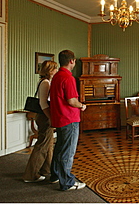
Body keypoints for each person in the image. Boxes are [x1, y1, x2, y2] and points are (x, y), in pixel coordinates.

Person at [49, 50, 87, 191]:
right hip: (69, 119)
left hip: (59, 118)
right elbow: (71, 100)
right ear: (71, 61)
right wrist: (82, 105)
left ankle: (55, 176)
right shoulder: (68, 78)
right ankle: (67, 182)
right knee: (68, 152)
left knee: (59, 149)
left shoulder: (57, 76)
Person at [23, 60, 58, 183]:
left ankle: (46, 170)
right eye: (55, 69)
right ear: (50, 70)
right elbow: (43, 104)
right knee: (42, 145)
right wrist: (51, 117)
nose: (56, 71)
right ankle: (31, 175)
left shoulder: (45, 82)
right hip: (44, 116)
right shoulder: (46, 83)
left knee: (48, 144)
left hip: (44, 116)